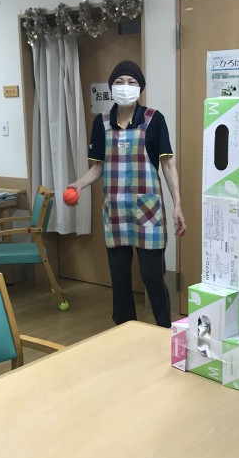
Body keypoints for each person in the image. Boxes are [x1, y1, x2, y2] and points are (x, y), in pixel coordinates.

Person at [68, 60, 186, 328]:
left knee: (152, 275)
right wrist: (79, 184)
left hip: (148, 210)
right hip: (116, 211)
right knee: (119, 277)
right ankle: (124, 329)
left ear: (140, 88)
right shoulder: (101, 123)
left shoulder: (154, 119)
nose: (125, 87)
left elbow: (168, 164)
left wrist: (178, 203)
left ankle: (164, 328)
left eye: (131, 82)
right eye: (119, 82)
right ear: (111, 87)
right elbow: (99, 166)